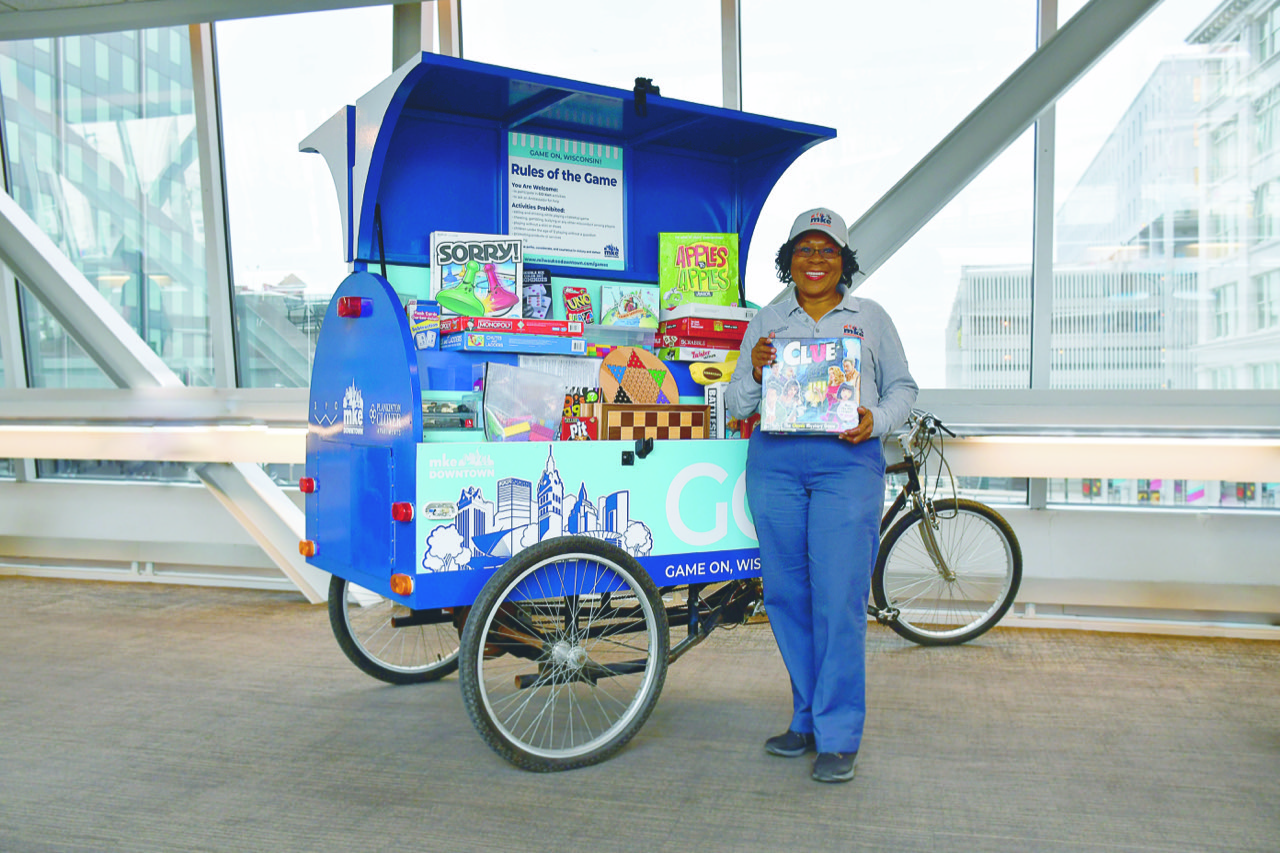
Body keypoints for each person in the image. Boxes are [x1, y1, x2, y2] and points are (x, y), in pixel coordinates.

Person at [725, 207, 918, 783]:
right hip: (776, 464)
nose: (816, 259)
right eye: (805, 250)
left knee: (838, 599)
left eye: (827, 250)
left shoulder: (871, 318)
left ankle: (838, 734)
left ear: (843, 261)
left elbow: (904, 388)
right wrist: (756, 375)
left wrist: (876, 419)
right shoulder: (765, 320)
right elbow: (735, 404)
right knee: (786, 596)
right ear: (789, 262)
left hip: (846, 464)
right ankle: (805, 718)